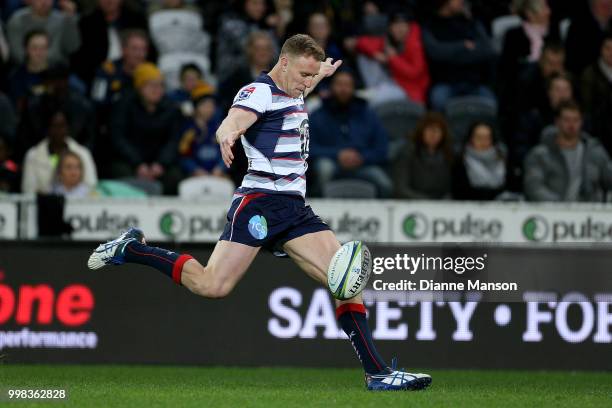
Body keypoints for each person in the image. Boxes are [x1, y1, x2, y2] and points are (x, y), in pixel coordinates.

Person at [87, 34, 432, 391]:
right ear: (283, 63)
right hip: (260, 203)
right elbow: (235, 119)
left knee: (345, 280)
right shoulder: (259, 91)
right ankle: (133, 248)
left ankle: (378, 374)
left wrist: (322, 74)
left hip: (295, 209)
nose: (306, 81)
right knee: (212, 285)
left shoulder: (295, 89)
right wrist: (228, 133)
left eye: (310, 76)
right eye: (303, 73)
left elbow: (301, 90)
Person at [309, 69, 392, 198]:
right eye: (339, 84)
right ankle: (316, 214)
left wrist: (362, 157)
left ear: (354, 88)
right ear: (331, 87)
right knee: (324, 169)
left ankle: (377, 217)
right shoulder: (317, 115)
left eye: (348, 85)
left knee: (384, 183)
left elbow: (382, 149)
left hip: (362, 164)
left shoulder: (369, 115)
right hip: (332, 162)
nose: (343, 89)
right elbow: (309, 148)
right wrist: (337, 154)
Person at [523, 100, 612, 201]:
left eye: (576, 120)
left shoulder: (595, 152)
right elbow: (533, 187)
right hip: (553, 213)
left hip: (590, 212)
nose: (571, 125)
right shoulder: (540, 155)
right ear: (557, 122)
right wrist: (562, 207)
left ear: (582, 122)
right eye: (566, 120)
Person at [22, 109, 97, 194]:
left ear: (68, 128)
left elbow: (91, 185)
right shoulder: (33, 155)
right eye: (54, 126)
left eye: (62, 126)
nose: (58, 131)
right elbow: (28, 191)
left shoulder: (83, 153)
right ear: (47, 128)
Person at [393, 111, 453, 199]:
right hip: (413, 204)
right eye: (430, 129)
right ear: (421, 131)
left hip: (443, 206)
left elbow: (453, 187)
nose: (433, 134)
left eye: (437, 130)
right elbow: (401, 188)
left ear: (443, 134)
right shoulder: (407, 153)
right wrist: (427, 201)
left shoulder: (449, 155)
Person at [453, 121, 507, 200]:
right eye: (479, 137)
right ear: (471, 139)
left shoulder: (502, 159)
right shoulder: (460, 161)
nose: (483, 141)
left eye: (487, 138)